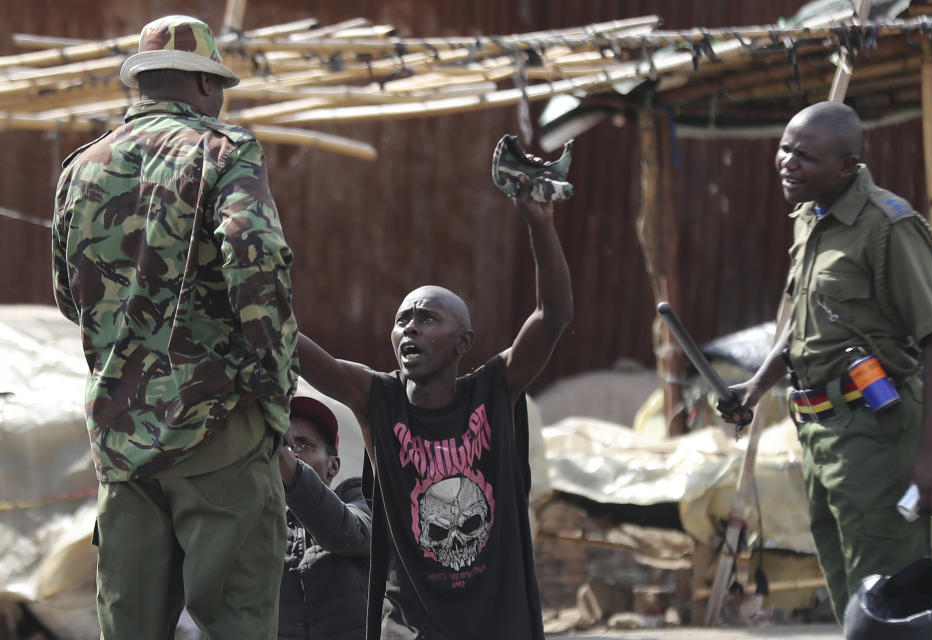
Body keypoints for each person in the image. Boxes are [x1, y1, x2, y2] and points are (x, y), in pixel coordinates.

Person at [51, 15, 298, 640]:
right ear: (203, 87)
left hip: (122, 443)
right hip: (218, 428)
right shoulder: (224, 151)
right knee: (236, 624)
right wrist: (272, 387)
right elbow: (257, 264)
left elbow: (68, 299)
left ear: (143, 84)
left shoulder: (79, 170)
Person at [296, 174, 573, 639]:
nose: (411, 329)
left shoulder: (493, 391)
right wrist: (249, 289)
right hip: (411, 625)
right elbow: (298, 351)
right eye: (403, 320)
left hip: (495, 623)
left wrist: (539, 225)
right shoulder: (376, 399)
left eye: (427, 319)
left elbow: (553, 318)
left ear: (463, 341)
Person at [721, 101, 932, 621]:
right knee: (852, 601)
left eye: (805, 155)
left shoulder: (889, 227)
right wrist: (755, 388)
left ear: (847, 165)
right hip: (821, 435)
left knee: (888, 607)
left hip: (877, 433)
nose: (787, 162)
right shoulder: (811, 217)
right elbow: (809, 325)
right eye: (784, 148)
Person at [277, 395, 372, 640]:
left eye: (303, 444)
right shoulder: (259, 518)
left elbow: (353, 533)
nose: (291, 453)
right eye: (284, 443)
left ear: (334, 465)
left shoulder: (360, 497)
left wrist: (291, 470)